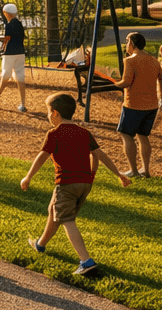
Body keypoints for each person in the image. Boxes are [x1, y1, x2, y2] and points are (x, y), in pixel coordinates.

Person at [20, 92, 132, 277]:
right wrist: (118, 174)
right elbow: (99, 155)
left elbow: (42, 157)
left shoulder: (54, 133)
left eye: (48, 112)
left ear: (55, 113)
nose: (48, 116)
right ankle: (40, 244)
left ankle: (86, 261)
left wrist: (28, 177)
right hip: (84, 184)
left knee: (67, 220)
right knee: (54, 211)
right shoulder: (83, 132)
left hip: (67, 183)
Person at [117, 31, 162, 177]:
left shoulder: (130, 61)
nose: (126, 45)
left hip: (133, 104)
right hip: (152, 105)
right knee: (143, 136)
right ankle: (146, 170)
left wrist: (113, 84)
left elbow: (126, 82)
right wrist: (161, 95)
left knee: (126, 134)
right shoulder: (154, 61)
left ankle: (134, 170)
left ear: (132, 43)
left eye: (127, 42)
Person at [0, 3, 30, 113]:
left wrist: (2, 42)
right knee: (20, 75)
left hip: (10, 52)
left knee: (6, 72)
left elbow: (7, 38)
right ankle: (23, 103)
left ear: (7, 13)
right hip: (20, 52)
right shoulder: (19, 23)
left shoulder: (9, 24)